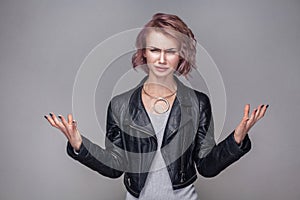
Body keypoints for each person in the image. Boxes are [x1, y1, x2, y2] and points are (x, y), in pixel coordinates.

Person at [44, 13, 268, 200]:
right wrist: (79, 146)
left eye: (170, 51)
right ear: (143, 53)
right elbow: (115, 166)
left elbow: (206, 167)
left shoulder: (198, 103)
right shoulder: (120, 105)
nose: (161, 59)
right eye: (154, 50)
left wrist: (235, 141)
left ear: (181, 55)